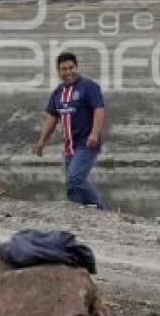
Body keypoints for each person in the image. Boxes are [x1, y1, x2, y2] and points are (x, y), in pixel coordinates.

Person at [34, 52, 106, 209]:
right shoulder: (58, 92)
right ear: (58, 71)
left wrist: (94, 134)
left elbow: (99, 110)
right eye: (63, 69)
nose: (68, 72)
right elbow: (52, 117)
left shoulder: (88, 86)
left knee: (75, 178)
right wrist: (42, 141)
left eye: (70, 68)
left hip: (86, 143)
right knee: (72, 187)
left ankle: (101, 210)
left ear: (76, 67)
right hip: (69, 146)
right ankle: (78, 217)